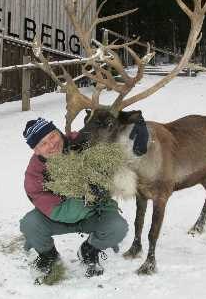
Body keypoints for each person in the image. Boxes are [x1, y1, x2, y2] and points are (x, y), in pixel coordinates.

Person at [19, 117, 128, 278]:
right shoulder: (34, 175)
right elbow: (61, 212)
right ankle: (49, 255)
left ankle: (89, 249)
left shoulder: (81, 141)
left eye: (52, 136)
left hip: (94, 213)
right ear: (36, 151)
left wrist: (124, 134)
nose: (51, 144)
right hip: (59, 218)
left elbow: (111, 144)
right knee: (30, 224)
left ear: (59, 132)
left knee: (117, 227)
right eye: (43, 143)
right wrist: (88, 193)